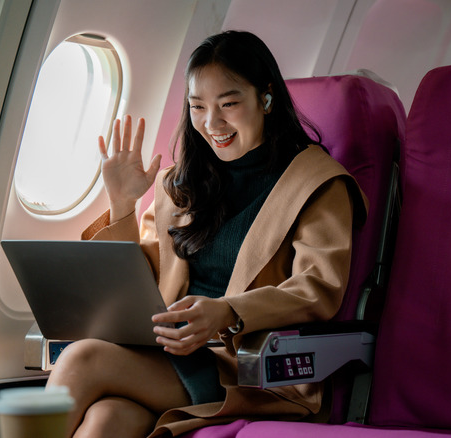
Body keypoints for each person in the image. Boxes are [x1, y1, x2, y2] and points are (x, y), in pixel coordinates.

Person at [47, 30, 367, 437]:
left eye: (229, 104)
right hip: (169, 352)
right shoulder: (180, 185)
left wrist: (229, 311)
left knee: (82, 360)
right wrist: (123, 204)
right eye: (198, 106)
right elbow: (140, 287)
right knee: (107, 419)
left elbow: (317, 289)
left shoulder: (317, 183)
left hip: (247, 367)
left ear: (266, 98)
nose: (212, 123)